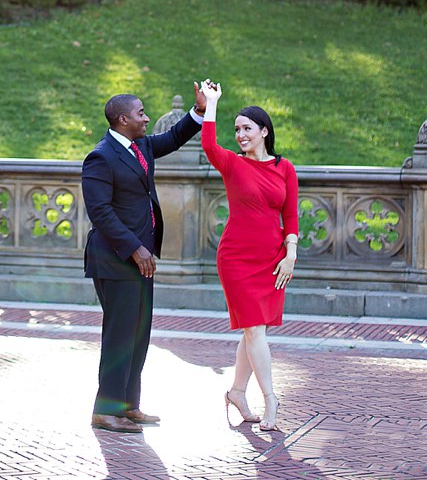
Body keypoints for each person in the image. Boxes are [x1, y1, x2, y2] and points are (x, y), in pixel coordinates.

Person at [81, 91, 205, 432]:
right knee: (119, 335)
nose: (147, 118)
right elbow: (101, 212)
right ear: (124, 119)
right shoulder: (100, 158)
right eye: (141, 113)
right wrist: (136, 248)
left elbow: (175, 137)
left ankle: (128, 405)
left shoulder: (142, 147)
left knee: (137, 334)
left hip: (141, 260)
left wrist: (199, 110)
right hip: (115, 259)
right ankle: (105, 410)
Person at [197, 79, 298, 432]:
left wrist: (291, 253)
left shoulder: (284, 168)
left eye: (247, 129)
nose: (240, 135)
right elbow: (208, 143)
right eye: (237, 129)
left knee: (253, 330)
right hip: (236, 259)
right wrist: (212, 102)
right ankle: (271, 399)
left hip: (272, 259)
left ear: (264, 131)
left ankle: (237, 392)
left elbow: (291, 215)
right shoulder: (232, 164)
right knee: (255, 329)